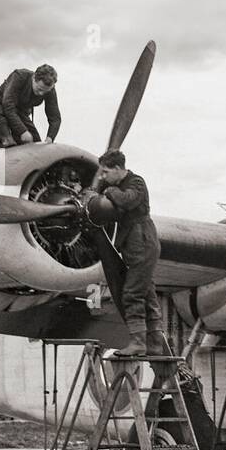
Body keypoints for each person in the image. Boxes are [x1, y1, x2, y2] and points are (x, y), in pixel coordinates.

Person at [84, 150, 165, 358]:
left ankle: (138, 343)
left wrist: (108, 191)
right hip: (134, 245)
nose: (102, 176)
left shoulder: (136, 182)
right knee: (146, 292)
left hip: (143, 241)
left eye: (106, 172)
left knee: (131, 293)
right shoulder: (118, 184)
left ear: (119, 169)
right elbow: (97, 193)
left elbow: (127, 200)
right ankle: (155, 342)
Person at [0, 64, 60, 146]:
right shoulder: (19, 76)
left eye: (45, 92)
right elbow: (8, 105)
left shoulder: (50, 90)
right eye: (39, 89)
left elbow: (55, 118)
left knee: (34, 142)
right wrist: (22, 131)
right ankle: (6, 137)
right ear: (34, 78)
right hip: (1, 104)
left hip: (20, 113)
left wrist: (50, 138)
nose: (41, 93)